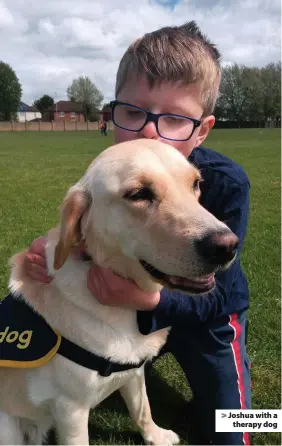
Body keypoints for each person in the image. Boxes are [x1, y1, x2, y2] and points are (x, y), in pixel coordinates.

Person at [24, 22, 251, 445]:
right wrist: (48, 251)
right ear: (112, 115)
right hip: (134, 318)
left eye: (175, 119)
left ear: (201, 129)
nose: (150, 132)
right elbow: (90, 232)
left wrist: (145, 299)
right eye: (134, 113)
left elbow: (218, 294)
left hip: (210, 319)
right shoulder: (107, 177)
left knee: (234, 432)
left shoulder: (229, 182)